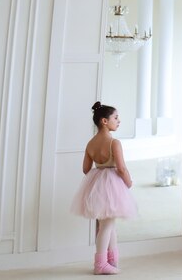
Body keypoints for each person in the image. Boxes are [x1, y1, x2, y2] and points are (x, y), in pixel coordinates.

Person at [70, 102, 137, 275]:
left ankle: (112, 260)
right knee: (106, 226)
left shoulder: (91, 143)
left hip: (99, 182)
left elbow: (86, 169)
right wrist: (128, 182)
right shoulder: (114, 143)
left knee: (109, 224)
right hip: (112, 183)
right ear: (104, 121)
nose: (119, 121)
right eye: (116, 118)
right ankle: (100, 264)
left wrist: (97, 180)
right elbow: (121, 168)